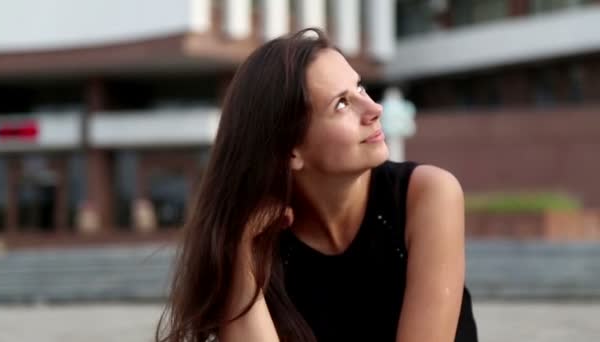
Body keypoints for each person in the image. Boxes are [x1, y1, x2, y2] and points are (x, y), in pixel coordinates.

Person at [156, 28, 478, 342]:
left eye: (361, 89)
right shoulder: (261, 238)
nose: (374, 109)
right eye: (341, 104)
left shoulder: (427, 195)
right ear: (290, 150)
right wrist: (241, 255)